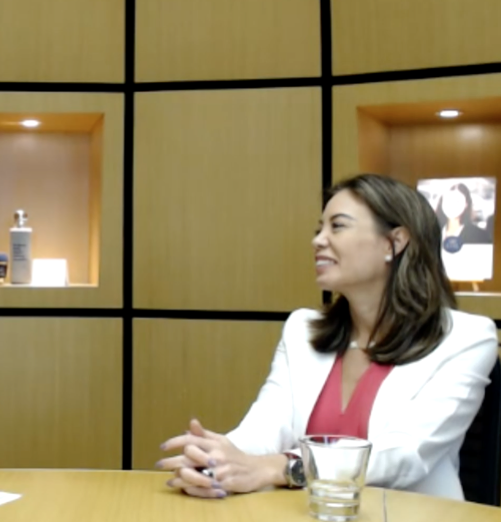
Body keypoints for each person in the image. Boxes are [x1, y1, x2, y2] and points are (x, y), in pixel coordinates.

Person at [157, 173, 498, 501]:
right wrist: (216, 460)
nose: (318, 240)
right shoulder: (301, 329)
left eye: (338, 226)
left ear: (394, 242)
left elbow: (404, 455)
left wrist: (283, 468)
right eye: (319, 229)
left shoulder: (467, 339)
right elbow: (265, 428)